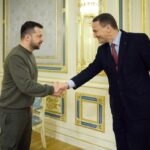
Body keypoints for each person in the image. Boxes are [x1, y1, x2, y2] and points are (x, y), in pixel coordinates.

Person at [59, 13, 150, 150]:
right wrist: (66, 84)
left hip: (141, 109)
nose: (94, 35)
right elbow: (90, 71)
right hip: (118, 110)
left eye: (95, 31)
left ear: (108, 28)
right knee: (122, 144)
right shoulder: (102, 51)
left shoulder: (138, 40)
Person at [0, 21, 62, 150]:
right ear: (27, 37)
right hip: (12, 112)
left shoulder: (29, 55)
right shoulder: (16, 56)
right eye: (39, 36)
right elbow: (26, 85)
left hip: (25, 110)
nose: (42, 39)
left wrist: (29, 106)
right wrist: (51, 89)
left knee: (24, 146)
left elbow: (29, 84)